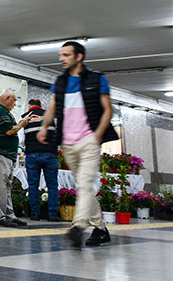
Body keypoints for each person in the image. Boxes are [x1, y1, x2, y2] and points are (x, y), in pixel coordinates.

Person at [37, 41, 117, 247]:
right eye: (60, 55)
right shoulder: (60, 82)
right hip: (67, 144)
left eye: (66, 55)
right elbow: (53, 107)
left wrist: (98, 134)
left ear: (79, 57)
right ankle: (100, 228)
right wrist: (44, 127)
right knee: (83, 187)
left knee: (84, 184)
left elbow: (107, 109)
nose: (61, 59)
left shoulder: (97, 79)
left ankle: (78, 226)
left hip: (89, 140)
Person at [0, 89, 32, 228]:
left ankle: (9, 215)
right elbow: (9, 131)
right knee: (0, 187)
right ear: (7, 98)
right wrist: (22, 124)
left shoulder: (3, 111)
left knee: (6, 187)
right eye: (14, 100)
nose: (15, 103)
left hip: (5, 155)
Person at [21, 99, 60, 222]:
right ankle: (52, 214)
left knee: (33, 185)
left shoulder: (24, 117)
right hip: (50, 153)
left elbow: (21, 140)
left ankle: (35, 214)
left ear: (30, 106)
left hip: (32, 154)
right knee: (52, 185)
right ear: (40, 106)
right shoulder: (50, 116)